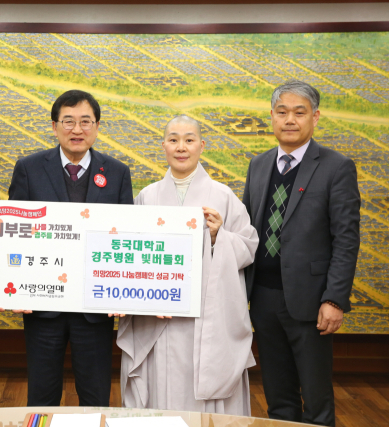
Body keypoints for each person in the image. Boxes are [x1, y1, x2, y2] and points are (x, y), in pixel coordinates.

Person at [117, 115, 258, 415]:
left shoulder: (223, 196)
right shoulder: (148, 196)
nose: (181, 147)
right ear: (164, 145)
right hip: (158, 318)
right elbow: (130, 252)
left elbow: (248, 247)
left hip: (206, 319)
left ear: (201, 145)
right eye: (174, 139)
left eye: (189, 140)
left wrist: (221, 235)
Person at [5, 89, 133, 407]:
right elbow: (14, 233)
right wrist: (16, 288)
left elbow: (126, 237)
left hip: (95, 308)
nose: (77, 130)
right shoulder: (29, 168)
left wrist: (123, 289)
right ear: (54, 126)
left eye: (86, 121)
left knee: (95, 393)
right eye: (69, 121)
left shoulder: (117, 172)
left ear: (97, 126)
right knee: (42, 392)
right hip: (42, 306)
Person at [243, 80, 360, 426]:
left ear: (315, 117)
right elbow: (248, 228)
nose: (289, 120)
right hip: (262, 299)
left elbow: (346, 239)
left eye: (299, 112)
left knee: (317, 400)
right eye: (282, 112)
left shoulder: (337, 167)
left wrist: (335, 299)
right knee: (277, 397)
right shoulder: (259, 165)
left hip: (311, 303)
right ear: (272, 117)